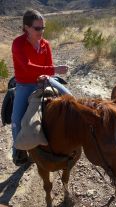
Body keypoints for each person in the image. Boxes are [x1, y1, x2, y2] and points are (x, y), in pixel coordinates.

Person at [11, 9, 71, 166]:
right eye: (37, 28)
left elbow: (47, 65)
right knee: (16, 119)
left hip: (44, 80)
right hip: (25, 84)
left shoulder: (45, 44)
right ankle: (18, 150)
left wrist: (49, 73)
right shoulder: (18, 43)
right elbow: (27, 67)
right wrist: (55, 70)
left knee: (70, 99)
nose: (41, 31)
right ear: (26, 27)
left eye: (43, 27)